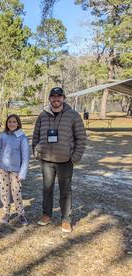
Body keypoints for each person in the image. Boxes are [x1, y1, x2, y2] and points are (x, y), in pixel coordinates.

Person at [32, 87, 87, 233]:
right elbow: (36, 135)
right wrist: (36, 151)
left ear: (63, 98)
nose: (56, 99)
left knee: (65, 191)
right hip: (46, 160)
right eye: (53, 96)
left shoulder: (73, 115)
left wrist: (74, 157)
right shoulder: (42, 116)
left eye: (59, 96)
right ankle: (46, 215)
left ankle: (66, 219)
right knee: (47, 189)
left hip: (65, 161)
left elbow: (81, 138)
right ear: (49, 98)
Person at [0, 114, 29, 226]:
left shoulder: (22, 137)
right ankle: (6, 213)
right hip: (3, 169)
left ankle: (21, 214)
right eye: (9, 122)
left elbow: (25, 157)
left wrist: (22, 173)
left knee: (16, 192)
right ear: (7, 124)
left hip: (16, 171)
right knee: (4, 192)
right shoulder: (3, 136)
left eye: (14, 121)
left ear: (18, 123)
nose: (11, 124)